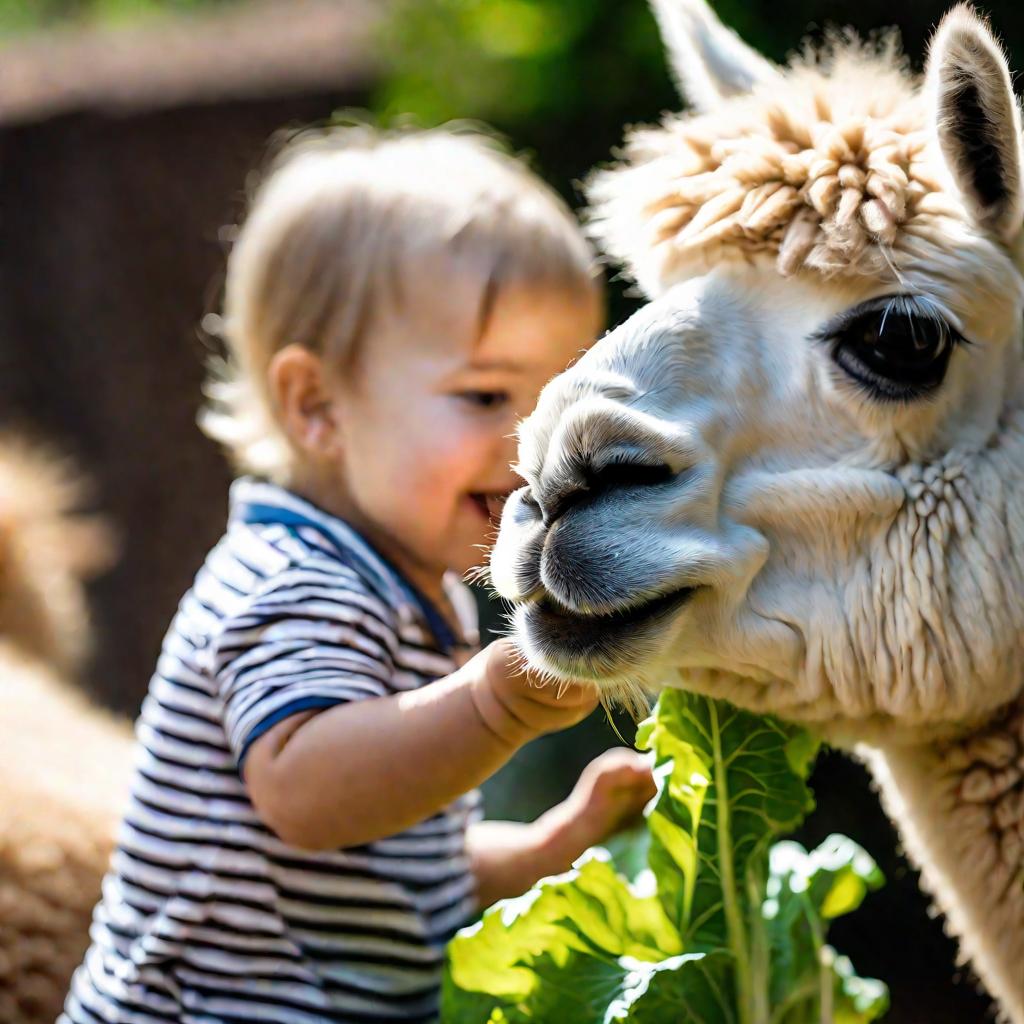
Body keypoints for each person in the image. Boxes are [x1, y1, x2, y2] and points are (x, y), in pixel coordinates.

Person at [61, 125, 654, 1024]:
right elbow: (306, 795)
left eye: (559, 398)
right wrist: (491, 707)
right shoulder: (295, 583)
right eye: (487, 396)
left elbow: (393, 874)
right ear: (318, 406)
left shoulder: (410, 588)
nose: (534, 442)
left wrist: (542, 849)